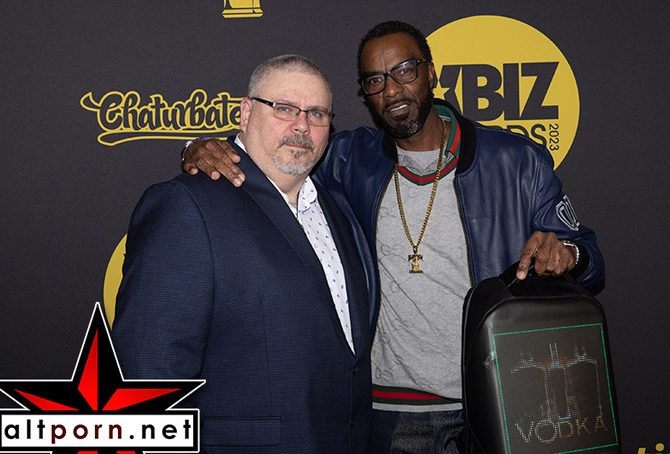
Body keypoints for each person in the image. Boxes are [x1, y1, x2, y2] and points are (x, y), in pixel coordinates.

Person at [181, 21, 605, 453]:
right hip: (390, 410)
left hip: (500, 398)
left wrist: (567, 253)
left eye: (405, 70)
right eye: (376, 80)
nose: (393, 90)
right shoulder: (345, 159)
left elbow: (589, 259)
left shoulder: (516, 161)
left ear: (430, 72)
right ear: (365, 93)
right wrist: (199, 148)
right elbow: (273, 154)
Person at [112, 54, 376, 454]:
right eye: (284, 108)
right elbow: (149, 376)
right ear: (246, 113)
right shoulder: (187, 205)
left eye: (317, 113)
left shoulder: (338, 208)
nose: (301, 125)